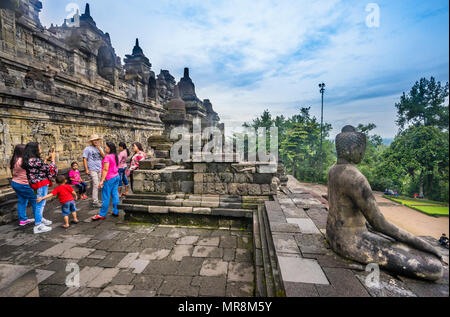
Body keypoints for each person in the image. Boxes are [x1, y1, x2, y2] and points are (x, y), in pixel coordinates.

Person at [22, 142, 57, 234]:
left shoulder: (30, 160)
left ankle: (40, 219)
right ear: (35, 149)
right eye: (39, 147)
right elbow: (51, 171)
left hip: (35, 185)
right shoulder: (36, 160)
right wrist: (53, 159)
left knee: (37, 202)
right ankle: (38, 225)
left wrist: (45, 160)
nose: (40, 148)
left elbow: (40, 169)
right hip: (41, 184)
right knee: (40, 204)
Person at [92, 142, 120, 221]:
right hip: (116, 176)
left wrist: (101, 181)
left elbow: (105, 169)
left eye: (106, 147)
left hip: (109, 178)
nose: (105, 149)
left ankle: (102, 214)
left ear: (109, 148)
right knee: (115, 194)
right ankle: (116, 211)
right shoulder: (115, 155)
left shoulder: (108, 157)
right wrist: (98, 148)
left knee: (106, 196)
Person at [9, 144, 35, 226]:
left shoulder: (13, 160)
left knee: (22, 201)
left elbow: (12, 173)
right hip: (25, 184)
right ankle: (39, 219)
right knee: (36, 200)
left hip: (15, 183)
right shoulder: (24, 161)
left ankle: (23, 220)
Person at [83, 135, 105, 208]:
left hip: (99, 168)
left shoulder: (100, 148)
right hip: (92, 169)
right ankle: (95, 201)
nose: (95, 141)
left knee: (98, 185)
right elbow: (85, 159)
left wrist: (99, 148)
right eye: (94, 140)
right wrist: (86, 169)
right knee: (96, 184)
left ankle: (95, 199)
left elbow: (104, 157)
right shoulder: (87, 149)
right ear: (91, 141)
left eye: (96, 140)